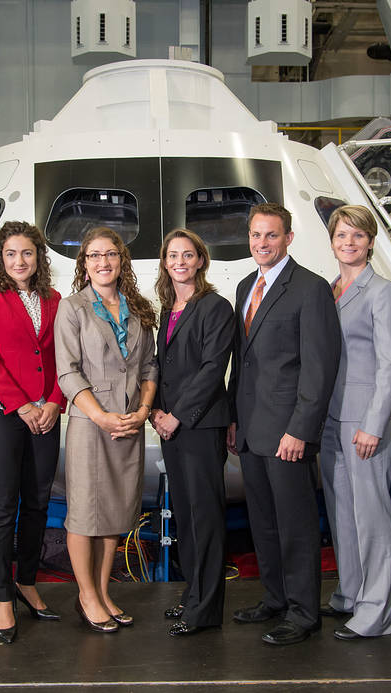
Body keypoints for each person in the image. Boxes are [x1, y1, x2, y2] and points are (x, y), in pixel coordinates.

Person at [226, 202, 341, 646]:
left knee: (296, 526)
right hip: (253, 430)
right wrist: (235, 419)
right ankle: (274, 599)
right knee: (264, 523)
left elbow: (319, 367)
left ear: (289, 238)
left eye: (271, 235)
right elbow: (244, 361)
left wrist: (301, 429)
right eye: (256, 235)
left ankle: (303, 612)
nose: (262, 243)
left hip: (289, 432)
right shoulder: (243, 287)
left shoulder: (310, 289)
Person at [54, 226, 158, 633]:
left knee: (115, 513)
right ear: (84, 263)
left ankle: (102, 591)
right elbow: (67, 371)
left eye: (110, 254)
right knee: (84, 514)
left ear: (121, 261)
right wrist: (101, 417)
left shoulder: (139, 307)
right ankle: (86, 595)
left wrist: (144, 409)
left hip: (130, 424)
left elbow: (150, 366)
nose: (103, 262)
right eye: (94, 255)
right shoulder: (73, 308)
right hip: (91, 425)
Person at [0, 221, 65, 644]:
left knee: (39, 501)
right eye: (11, 253)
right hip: (2, 412)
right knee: (4, 504)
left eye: (26, 253)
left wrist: (52, 403)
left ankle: (27, 580)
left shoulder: (55, 299)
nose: (19, 261)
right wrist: (22, 404)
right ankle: (3, 598)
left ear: (38, 257)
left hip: (46, 412)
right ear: (0, 257)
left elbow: (67, 356)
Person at [317, 205, 391, 641]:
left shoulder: (382, 292)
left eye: (357, 235)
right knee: (342, 512)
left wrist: (374, 423)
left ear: (371, 241)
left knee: (371, 515)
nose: (348, 242)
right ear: (331, 241)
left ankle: (375, 613)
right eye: (341, 235)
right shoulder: (330, 289)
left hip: (364, 418)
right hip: (331, 416)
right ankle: (350, 592)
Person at [151, 228, 235, 638]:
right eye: (172, 255)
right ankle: (194, 593)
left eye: (188, 255)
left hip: (200, 426)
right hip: (172, 426)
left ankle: (207, 610)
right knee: (185, 516)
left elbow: (211, 369)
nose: (179, 262)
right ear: (165, 263)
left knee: (205, 518)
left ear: (201, 260)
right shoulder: (169, 309)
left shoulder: (215, 307)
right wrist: (154, 410)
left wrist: (177, 415)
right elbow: (162, 366)